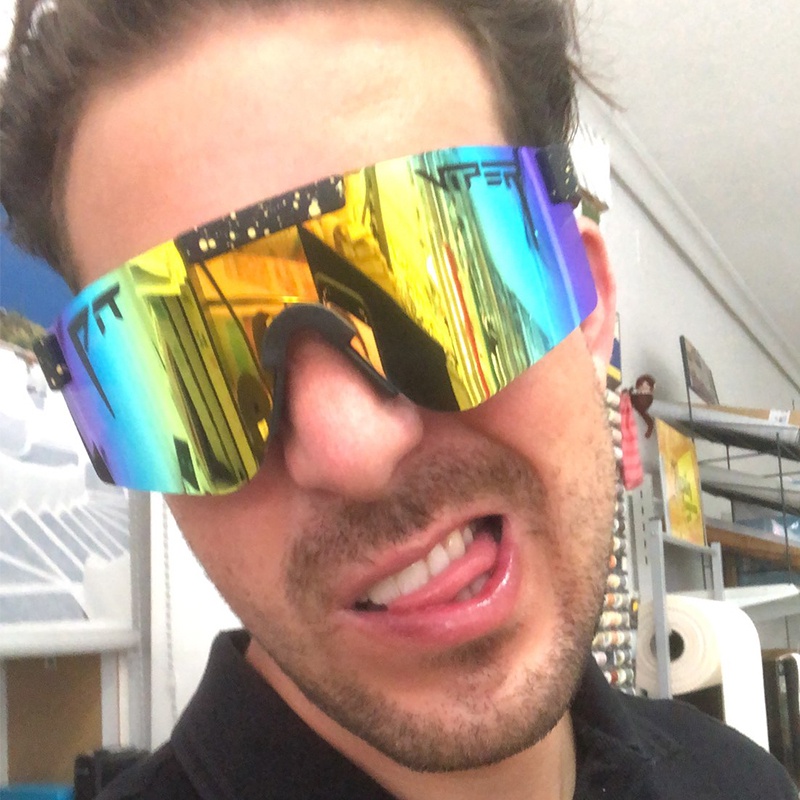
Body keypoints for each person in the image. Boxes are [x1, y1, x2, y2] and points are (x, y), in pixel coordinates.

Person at [1, 1, 795, 798]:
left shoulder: (741, 781)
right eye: (192, 370)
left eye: (431, 278)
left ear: (584, 302)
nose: (351, 448)